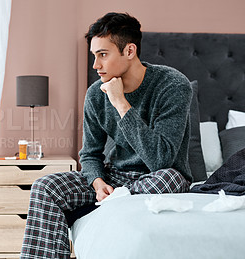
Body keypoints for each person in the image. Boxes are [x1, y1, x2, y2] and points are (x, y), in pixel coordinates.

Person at [20, 12, 193, 259]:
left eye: (103, 55)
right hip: (114, 179)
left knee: (170, 179)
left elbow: (161, 159)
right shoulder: (95, 94)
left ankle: (110, 203)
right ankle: (109, 201)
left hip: (156, 177)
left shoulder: (173, 85)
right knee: (45, 186)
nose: (95, 65)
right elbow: (90, 154)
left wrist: (121, 103)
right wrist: (98, 183)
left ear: (129, 51)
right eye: (94, 55)